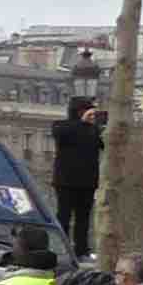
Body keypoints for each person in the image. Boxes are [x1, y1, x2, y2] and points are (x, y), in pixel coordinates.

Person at [51, 99, 105, 259]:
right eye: (88, 111)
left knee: (84, 218)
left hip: (87, 181)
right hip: (66, 180)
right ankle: (62, 248)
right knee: (64, 216)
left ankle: (81, 249)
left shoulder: (93, 130)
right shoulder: (61, 126)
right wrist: (81, 122)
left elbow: (103, 145)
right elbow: (62, 134)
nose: (91, 115)